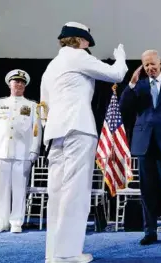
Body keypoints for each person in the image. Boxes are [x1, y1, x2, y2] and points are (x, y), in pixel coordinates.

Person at [40, 21, 128, 263]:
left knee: (56, 193)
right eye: (87, 40)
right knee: (75, 192)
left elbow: (43, 106)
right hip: (78, 129)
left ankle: (53, 254)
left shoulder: (52, 66)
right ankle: (68, 253)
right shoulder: (77, 56)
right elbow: (116, 75)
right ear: (79, 40)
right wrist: (120, 57)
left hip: (56, 132)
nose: (89, 44)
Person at [119, 49, 161, 246]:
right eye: (146, 65)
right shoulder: (138, 86)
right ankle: (149, 231)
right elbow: (123, 107)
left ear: (160, 63)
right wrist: (131, 84)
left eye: (152, 64)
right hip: (144, 144)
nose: (150, 68)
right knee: (147, 190)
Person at [0, 69, 42, 234]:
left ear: (25, 86)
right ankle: (0, 223)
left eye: (22, 83)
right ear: (9, 84)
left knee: (19, 189)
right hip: (1, 152)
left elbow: (36, 131)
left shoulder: (31, 106)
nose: (19, 84)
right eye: (16, 82)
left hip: (22, 154)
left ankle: (16, 221)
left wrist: (34, 151)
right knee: (1, 189)